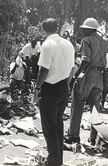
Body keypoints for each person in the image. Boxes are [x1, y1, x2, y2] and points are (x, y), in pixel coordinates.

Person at [65, 18, 108, 146]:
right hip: (100, 76)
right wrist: (103, 40)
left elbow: (85, 60)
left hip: (88, 74)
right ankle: (93, 138)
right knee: (95, 109)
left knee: (77, 104)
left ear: (89, 30)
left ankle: (73, 135)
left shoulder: (86, 40)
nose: (82, 31)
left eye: (84, 29)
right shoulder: (104, 40)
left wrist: (76, 76)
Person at [33, 18, 74, 166]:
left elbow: (44, 70)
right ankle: (57, 160)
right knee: (58, 125)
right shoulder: (68, 44)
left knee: (49, 127)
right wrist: (67, 85)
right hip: (63, 86)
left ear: (43, 30)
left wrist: (37, 89)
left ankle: (53, 162)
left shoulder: (47, 44)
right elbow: (72, 69)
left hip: (50, 87)